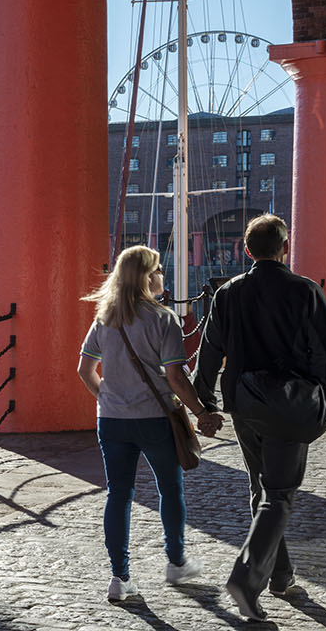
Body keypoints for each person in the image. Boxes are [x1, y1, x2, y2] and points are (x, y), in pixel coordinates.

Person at [193, 213, 326, 621]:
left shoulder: (228, 293)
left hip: (245, 404)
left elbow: (209, 352)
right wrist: (318, 392)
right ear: (285, 247)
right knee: (279, 493)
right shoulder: (305, 291)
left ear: (246, 249)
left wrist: (204, 401)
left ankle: (281, 576)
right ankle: (247, 578)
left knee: (264, 489)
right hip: (290, 403)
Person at [78, 245, 224, 602]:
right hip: (155, 420)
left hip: (111, 421)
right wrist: (203, 412)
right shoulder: (163, 319)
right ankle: (176, 563)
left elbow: (84, 370)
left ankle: (119, 578)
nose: (162, 275)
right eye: (157, 270)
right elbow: (176, 377)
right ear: (146, 277)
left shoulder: (105, 317)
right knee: (170, 489)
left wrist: (108, 398)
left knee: (119, 495)